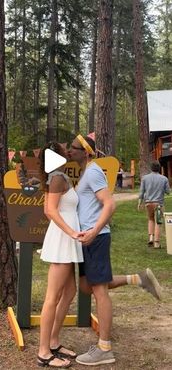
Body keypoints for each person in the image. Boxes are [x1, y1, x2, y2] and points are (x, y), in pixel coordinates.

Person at [68, 135, 162, 367]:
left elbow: (110, 204)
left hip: (96, 238)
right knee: (86, 287)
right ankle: (138, 278)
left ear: (86, 152)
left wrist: (93, 231)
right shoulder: (85, 173)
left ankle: (104, 348)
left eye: (74, 148)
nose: (69, 151)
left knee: (99, 291)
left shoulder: (93, 171)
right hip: (87, 239)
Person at [37, 141, 83, 369]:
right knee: (52, 297)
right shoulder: (57, 178)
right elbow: (50, 210)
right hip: (64, 240)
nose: (69, 151)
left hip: (65, 239)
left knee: (70, 291)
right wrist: (71, 232)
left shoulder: (58, 177)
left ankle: (54, 341)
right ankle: (43, 352)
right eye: (65, 151)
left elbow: (50, 211)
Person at [138, 160, 170, 248]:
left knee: (151, 219)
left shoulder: (145, 178)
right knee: (158, 222)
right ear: (159, 168)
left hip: (148, 203)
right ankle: (156, 242)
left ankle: (151, 237)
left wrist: (140, 202)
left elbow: (141, 191)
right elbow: (168, 192)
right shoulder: (164, 179)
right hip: (159, 204)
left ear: (151, 168)